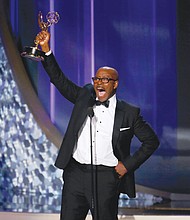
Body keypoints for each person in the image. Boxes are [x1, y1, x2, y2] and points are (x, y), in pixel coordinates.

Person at [36, 30, 159, 220]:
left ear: (115, 84)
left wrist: (127, 165)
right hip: (75, 174)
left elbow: (151, 141)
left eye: (105, 79)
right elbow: (60, 81)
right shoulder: (84, 97)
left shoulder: (128, 113)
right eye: (97, 79)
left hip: (106, 178)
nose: (99, 82)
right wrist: (46, 51)